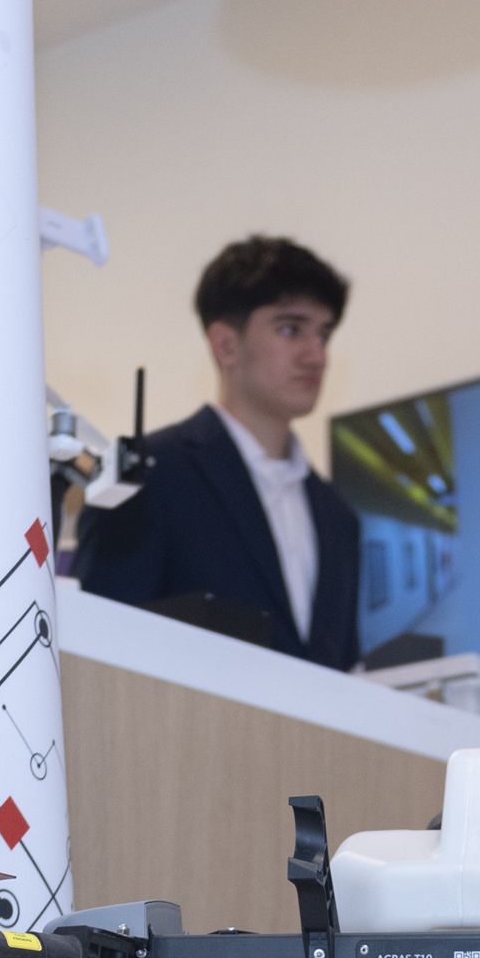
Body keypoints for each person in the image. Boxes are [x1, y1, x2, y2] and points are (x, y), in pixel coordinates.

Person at [71, 236, 363, 669]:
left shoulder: (339, 519)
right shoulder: (147, 475)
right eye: (291, 329)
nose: (316, 355)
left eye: (324, 334)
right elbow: (99, 653)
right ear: (226, 344)